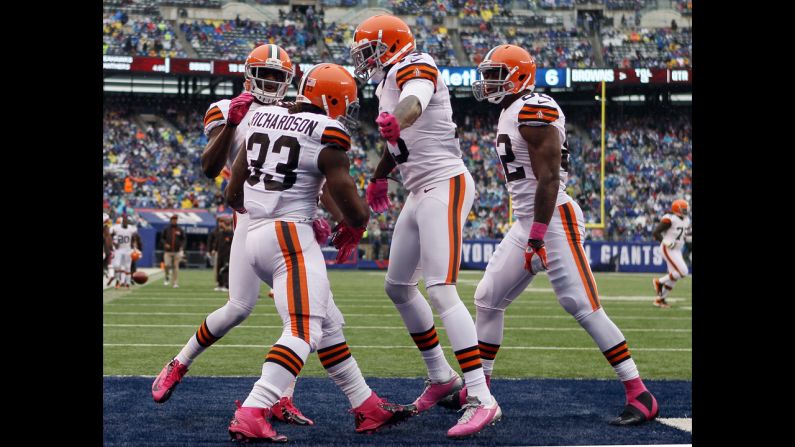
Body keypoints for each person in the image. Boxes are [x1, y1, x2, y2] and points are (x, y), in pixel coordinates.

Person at [439, 44, 659, 426]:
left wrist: (538, 236)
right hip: (528, 220)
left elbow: (550, 178)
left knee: (581, 304)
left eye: (496, 74)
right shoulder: (511, 109)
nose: (488, 81)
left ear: (519, 74)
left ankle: (639, 393)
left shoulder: (533, 107)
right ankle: (479, 390)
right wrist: (531, 231)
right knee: (488, 298)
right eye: (488, 73)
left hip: (552, 218)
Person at [224, 62, 416, 442]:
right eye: (344, 103)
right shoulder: (327, 131)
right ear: (330, 100)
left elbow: (232, 194)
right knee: (303, 330)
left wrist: (272, 207)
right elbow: (355, 210)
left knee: (327, 324)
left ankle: (366, 406)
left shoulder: (262, 117)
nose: (346, 111)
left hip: (257, 237)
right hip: (291, 239)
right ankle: (253, 409)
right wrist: (353, 223)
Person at [350, 14, 499, 438]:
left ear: (391, 44)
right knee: (397, 286)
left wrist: (397, 120)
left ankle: (482, 397)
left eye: (369, 51)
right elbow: (397, 136)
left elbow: (411, 104)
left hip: (445, 182)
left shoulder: (417, 64)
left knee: (440, 287)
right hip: (419, 190)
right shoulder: (386, 80)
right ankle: (441, 377)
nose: (365, 60)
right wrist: (381, 175)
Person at [152, 44, 311, 426]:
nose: (272, 82)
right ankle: (179, 362)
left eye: (278, 76)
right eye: (266, 74)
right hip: (248, 219)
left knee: (303, 317)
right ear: (249, 74)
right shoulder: (226, 109)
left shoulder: (291, 113)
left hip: (289, 220)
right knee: (239, 307)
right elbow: (209, 166)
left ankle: (280, 396)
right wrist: (234, 123)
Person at [651, 199, 690, 308]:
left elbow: (684, 235)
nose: (686, 211)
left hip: (677, 249)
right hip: (668, 248)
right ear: (677, 209)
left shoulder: (686, 220)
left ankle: (660, 300)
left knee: (674, 276)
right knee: (683, 271)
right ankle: (659, 282)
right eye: (683, 209)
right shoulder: (670, 219)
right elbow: (655, 232)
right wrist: (665, 241)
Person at [110, 214, 139, 289]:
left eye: (127, 221)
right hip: (119, 249)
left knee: (127, 267)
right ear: (122, 221)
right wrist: (113, 243)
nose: (126, 222)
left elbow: (135, 238)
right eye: (125, 221)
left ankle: (127, 283)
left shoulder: (131, 228)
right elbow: (109, 236)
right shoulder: (116, 228)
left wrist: (135, 248)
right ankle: (117, 281)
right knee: (116, 265)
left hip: (128, 249)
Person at [160, 214, 185, 288]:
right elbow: (162, 238)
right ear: (171, 220)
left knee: (176, 267)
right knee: (167, 265)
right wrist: (165, 244)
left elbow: (183, 239)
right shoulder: (166, 229)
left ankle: (175, 282)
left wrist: (182, 246)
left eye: (175, 220)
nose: (174, 221)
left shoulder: (180, 229)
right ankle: (167, 277)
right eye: (173, 220)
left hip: (177, 251)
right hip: (168, 251)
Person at [215, 217, 234, 292]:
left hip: (228, 255)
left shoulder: (231, 234)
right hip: (221, 254)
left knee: (226, 270)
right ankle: (220, 284)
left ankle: (227, 285)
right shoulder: (221, 233)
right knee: (219, 269)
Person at [208, 217, 222, 291]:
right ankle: (218, 282)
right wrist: (210, 251)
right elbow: (210, 241)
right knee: (216, 268)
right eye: (220, 222)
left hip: (226, 252)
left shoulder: (228, 231)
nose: (221, 223)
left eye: (222, 222)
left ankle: (225, 283)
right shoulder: (214, 232)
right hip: (217, 251)